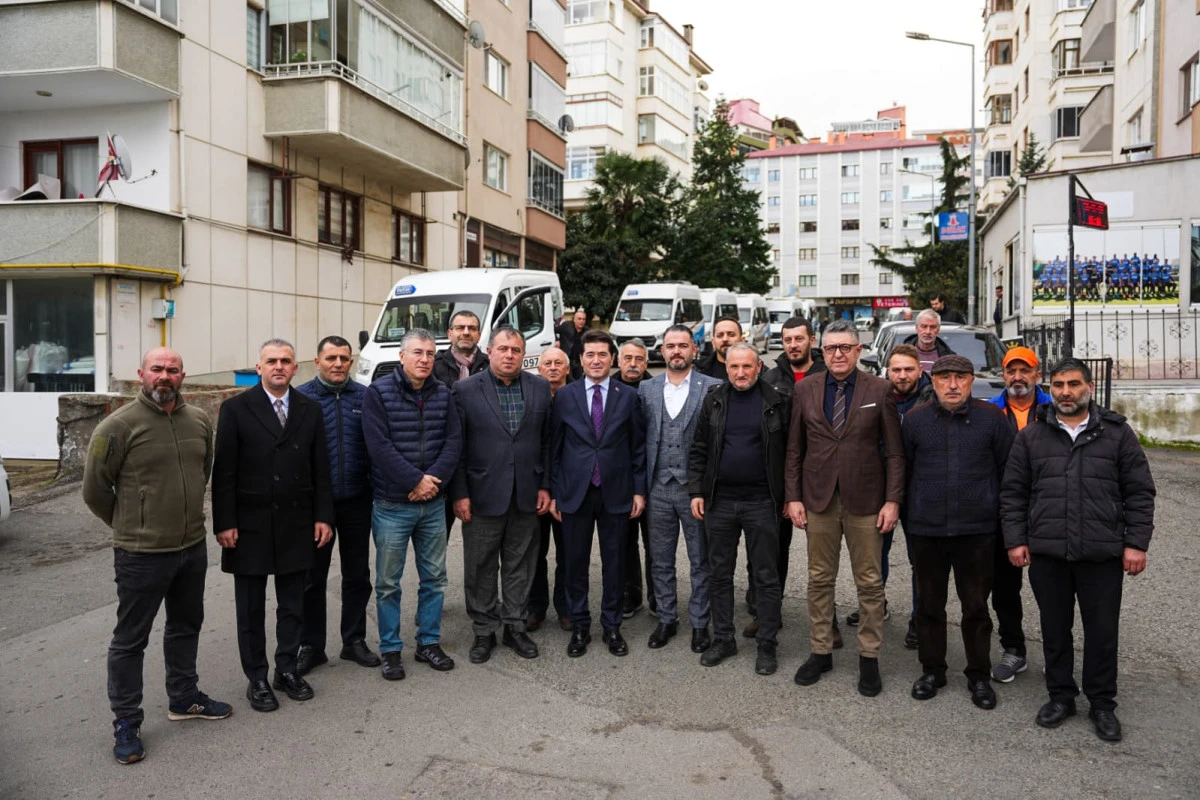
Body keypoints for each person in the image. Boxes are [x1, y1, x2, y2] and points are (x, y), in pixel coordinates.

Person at [83, 348, 230, 764]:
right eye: (157, 369)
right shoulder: (116, 427)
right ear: (141, 374)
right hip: (141, 553)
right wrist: (132, 524)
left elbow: (204, 472)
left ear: (183, 375)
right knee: (130, 639)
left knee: (186, 626)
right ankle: (126, 721)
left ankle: (183, 698)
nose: (164, 376)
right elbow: (94, 490)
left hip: (190, 547)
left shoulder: (199, 420)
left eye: (172, 370)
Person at [1001, 358, 1156, 742]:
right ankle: (1061, 697)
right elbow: (1013, 494)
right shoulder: (1031, 437)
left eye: (1073, 384)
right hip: (1048, 553)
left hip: (1101, 555)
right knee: (1055, 631)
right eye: (1058, 385)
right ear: (1049, 389)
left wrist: (1136, 543)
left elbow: (1139, 492)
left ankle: (1102, 704)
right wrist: (1016, 539)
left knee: (1102, 633)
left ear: (1088, 387)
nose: (1065, 392)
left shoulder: (1117, 434)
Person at [212, 339, 334, 712]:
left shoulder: (309, 409)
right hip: (249, 524)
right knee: (250, 608)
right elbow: (224, 471)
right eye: (271, 361)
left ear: (296, 368)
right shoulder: (235, 409)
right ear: (259, 367)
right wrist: (225, 522)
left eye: (286, 361)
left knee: (293, 605)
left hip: (297, 522)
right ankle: (257, 678)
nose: (279, 366)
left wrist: (323, 516)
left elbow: (320, 469)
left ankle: (286, 669)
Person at [785, 320, 904, 697]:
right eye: (831, 348)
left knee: (869, 582)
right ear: (822, 351)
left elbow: (895, 452)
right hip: (818, 498)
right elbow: (794, 450)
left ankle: (869, 657)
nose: (837, 354)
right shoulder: (805, 389)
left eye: (845, 348)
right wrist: (793, 497)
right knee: (819, 579)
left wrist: (893, 500)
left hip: (867, 501)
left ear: (858, 351)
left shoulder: (880, 389)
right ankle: (820, 650)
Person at [903, 354, 1014, 710]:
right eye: (944, 377)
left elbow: (1008, 474)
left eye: (960, 378)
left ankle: (978, 675)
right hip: (927, 531)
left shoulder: (993, 419)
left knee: (976, 608)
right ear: (932, 381)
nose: (952, 385)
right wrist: (912, 516)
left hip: (977, 532)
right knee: (929, 607)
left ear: (971, 380)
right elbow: (902, 471)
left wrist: (1000, 521)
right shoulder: (915, 421)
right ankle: (932, 670)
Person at [363, 329, 462, 680]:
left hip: (433, 504)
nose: (424, 359)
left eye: (430, 354)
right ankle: (390, 649)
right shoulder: (379, 393)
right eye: (417, 352)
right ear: (402, 356)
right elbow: (378, 446)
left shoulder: (443, 394)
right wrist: (414, 481)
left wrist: (431, 481)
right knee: (389, 582)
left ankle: (428, 643)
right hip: (392, 504)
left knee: (434, 578)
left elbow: (453, 441)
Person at [451, 327, 552, 664]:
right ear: (489, 351)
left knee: (520, 565)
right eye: (503, 349)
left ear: (524, 355)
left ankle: (514, 626)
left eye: (516, 350)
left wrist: (545, 486)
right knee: (479, 566)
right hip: (481, 495)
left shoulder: (539, 387)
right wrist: (460, 493)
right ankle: (483, 630)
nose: (510, 355)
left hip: (526, 493)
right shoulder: (464, 390)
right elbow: (457, 446)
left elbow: (547, 443)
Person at [688, 343, 790, 675]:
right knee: (719, 574)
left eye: (747, 366)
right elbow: (699, 448)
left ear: (758, 366)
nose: (741, 373)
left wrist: (790, 497)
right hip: (720, 502)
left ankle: (766, 644)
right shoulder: (714, 399)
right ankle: (724, 639)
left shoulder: (776, 402)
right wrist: (697, 492)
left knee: (765, 576)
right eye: (734, 367)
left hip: (763, 502)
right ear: (727, 367)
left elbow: (790, 454)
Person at [550, 329, 647, 658]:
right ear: (580, 360)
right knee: (574, 563)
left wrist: (639, 491)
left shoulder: (628, 396)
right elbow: (555, 448)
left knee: (615, 563)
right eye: (589, 355)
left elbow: (638, 449)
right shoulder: (565, 396)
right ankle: (579, 626)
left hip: (617, 493)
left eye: (602, 355)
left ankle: (611, 626)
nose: (596, 360)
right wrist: (554, 492)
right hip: (575, 493)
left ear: (613, 359)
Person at [294, 336, 379, 676]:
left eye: (345, 358)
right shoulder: (301, 398)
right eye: (331, 358)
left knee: (357, 575)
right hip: (317, 505)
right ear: (317, 361)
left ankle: (353, 640)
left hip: (358, 499)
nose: (339, 364)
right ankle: (311, 645)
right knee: (312, 578)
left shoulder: (366, 396)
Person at [639, 326, 722, 652]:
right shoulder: (646, 389)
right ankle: (667, 618)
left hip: (695, 490)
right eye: (671, 346)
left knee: (700, 560)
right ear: (663, 349)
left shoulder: (713, 387)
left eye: (682, 346)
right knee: (660, 560)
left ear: (694, 350)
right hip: (657, 487)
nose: (676, 351)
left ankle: (701, 624)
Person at [756, 316, 826, 639]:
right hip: (778, 477)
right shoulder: (769, 380)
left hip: (820, 478)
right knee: (773, 552)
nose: (794, 345)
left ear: (812, 339)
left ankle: (828, 622)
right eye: (788, 340)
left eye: (799, 338)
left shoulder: (829, 375)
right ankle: (768, 613)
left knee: (822, 556)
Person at [986, 346, 1052, 684]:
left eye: (1024, 370)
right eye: (1011, 371)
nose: (1017, 377)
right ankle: (1014, 651)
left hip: (1049, 514)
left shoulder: (1056, 409)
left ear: (1037, 375)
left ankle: (1058, 657)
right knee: (1005, 589)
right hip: (1005, 514)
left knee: (1052, 590)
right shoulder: (990, 413)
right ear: (1003, 375)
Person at [877, 344, 933, 650]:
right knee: (875, 555)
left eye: (908, 369)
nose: (902, 375)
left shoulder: (932, 399)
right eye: (896, 369)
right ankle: (876, 607)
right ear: (887, 372)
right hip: (881, 489)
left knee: (920, 561)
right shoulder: (876, 396)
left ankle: (919, 618)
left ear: (920, 371)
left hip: (919, 490)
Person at [432, 310, 487, 537]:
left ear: (479, 334)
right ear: (450, 333)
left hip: (479, 463)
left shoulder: (491, 366)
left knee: (481, 539)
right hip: (443, 462)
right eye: (460, 328)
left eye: (472, 328)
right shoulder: (433, 367)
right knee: (436, 541)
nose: (466, 332)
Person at [528, 347, 572, 632]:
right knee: (534, 551)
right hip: (535, 489)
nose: (553, 367)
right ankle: (535, 607)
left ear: (568, 369)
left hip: (570, 488)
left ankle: (566, 607)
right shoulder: (531, 396)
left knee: (568, 552)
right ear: (539, 369)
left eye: (559, 363)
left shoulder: (577, 397)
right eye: (547, 363)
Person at [614, 339, 654, 619]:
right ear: (618, 361)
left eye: (639, 359)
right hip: (619, 478)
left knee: (655, 543)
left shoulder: (657, 389)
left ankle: (657, 596)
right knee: (624, 541)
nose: (633, 364)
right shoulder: (608, 388)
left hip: (653, 477)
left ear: (647, 362)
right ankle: (630, 594)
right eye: (628, 358)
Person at [903, 309, 955, 374]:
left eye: (933, 327)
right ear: (916, 328)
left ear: (938, 330)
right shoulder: (902, 354)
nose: (928, 332)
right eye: (924, 326)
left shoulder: (949, 358)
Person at [697, 316, 743, 383]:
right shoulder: (699, 371)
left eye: (731, 335)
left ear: (742, 340)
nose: (725, 339)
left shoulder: (758, 370)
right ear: (713, 342)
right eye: (720, 335)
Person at [556, 308, 588, 380]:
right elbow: (553, 331)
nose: (582, 321)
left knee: (580, 380)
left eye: (583, 319)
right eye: (579, 319)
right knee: (568, 380)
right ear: (574, 319)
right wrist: (557, 340)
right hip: (567, 359)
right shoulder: (566, 326)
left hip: (579, 361)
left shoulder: (586, 332)